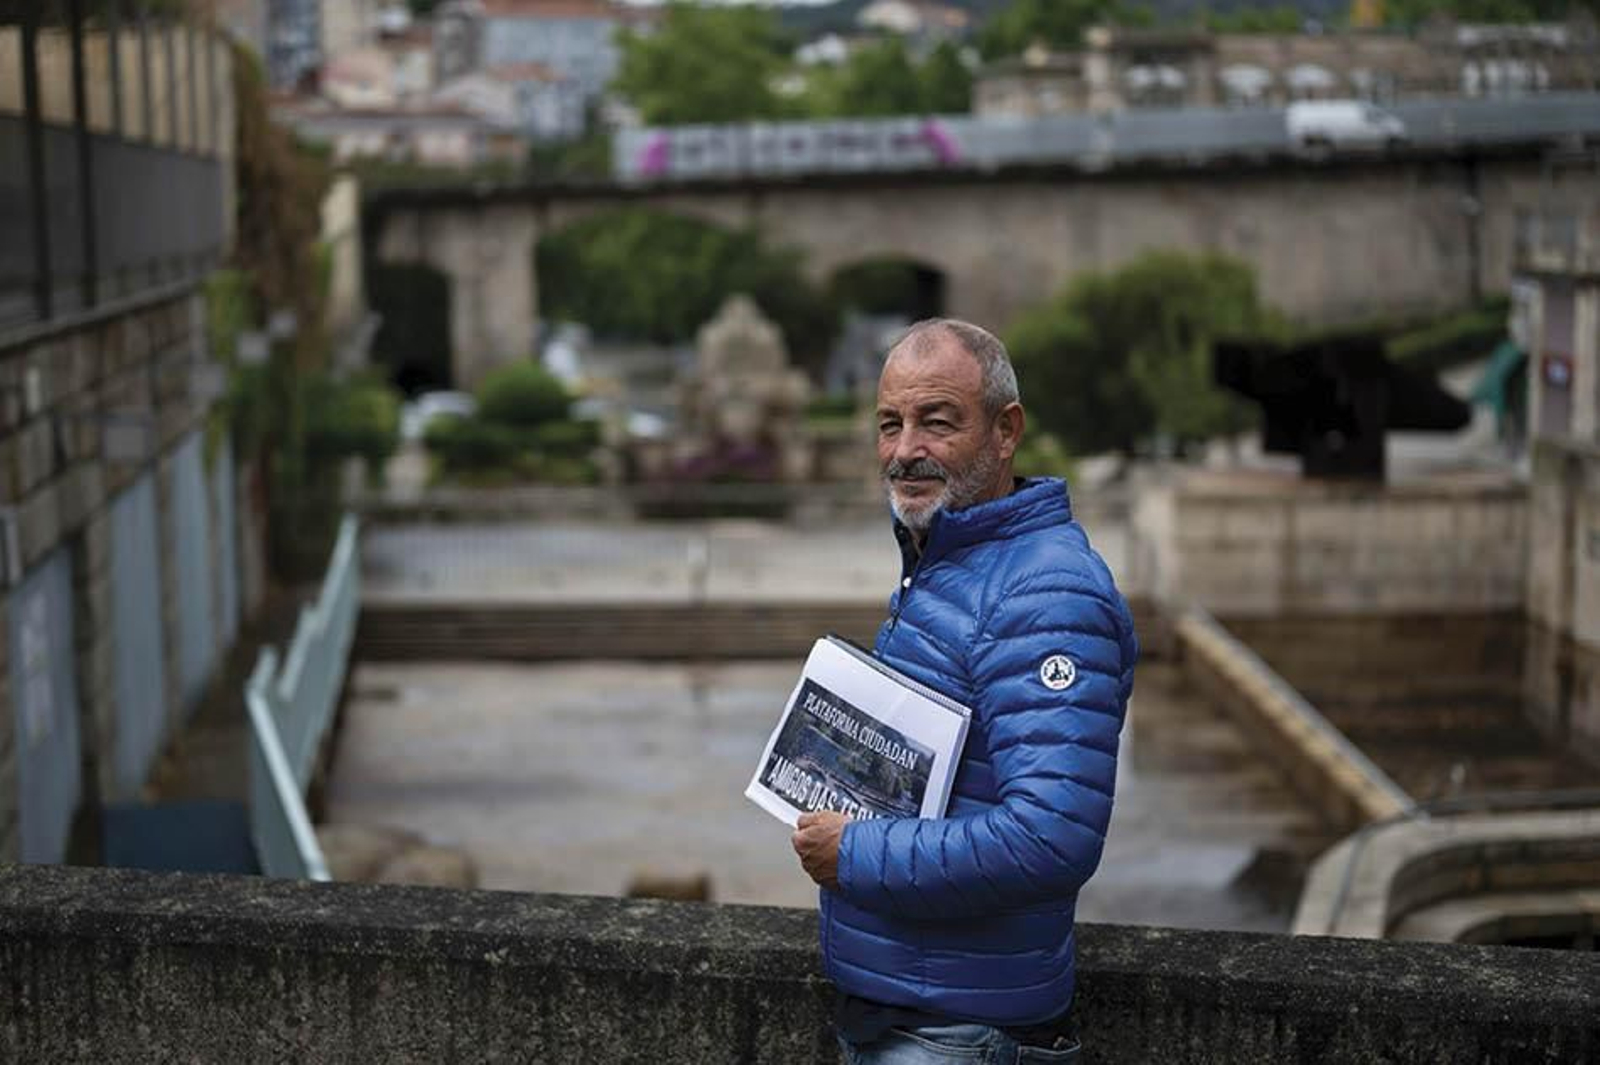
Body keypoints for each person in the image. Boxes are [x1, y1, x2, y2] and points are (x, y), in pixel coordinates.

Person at [790, 318, 1138, 1064]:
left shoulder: (1046, 590)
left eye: (937, 421)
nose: (905, 449)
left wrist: (854, 852)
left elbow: (1050, 837)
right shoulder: (952, 562)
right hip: (919, 1020)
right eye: (890, 423)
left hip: (956, 1036)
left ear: (1006, 431)